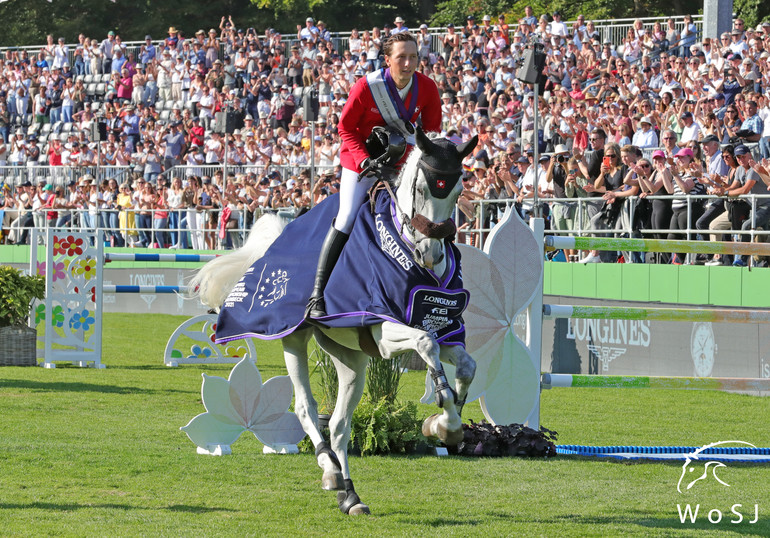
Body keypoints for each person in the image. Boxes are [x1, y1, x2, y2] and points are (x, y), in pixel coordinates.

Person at [305, 32, 441, 320]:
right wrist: (363, 159)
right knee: (346, 217)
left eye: (413, 57)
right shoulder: (367, 87)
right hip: (362, 161)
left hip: (402, 162)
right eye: (401, 57)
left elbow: (430, 133)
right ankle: (317, 293)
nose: (408, 63)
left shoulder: (427, 87)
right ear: (387, 59)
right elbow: (345, 129)